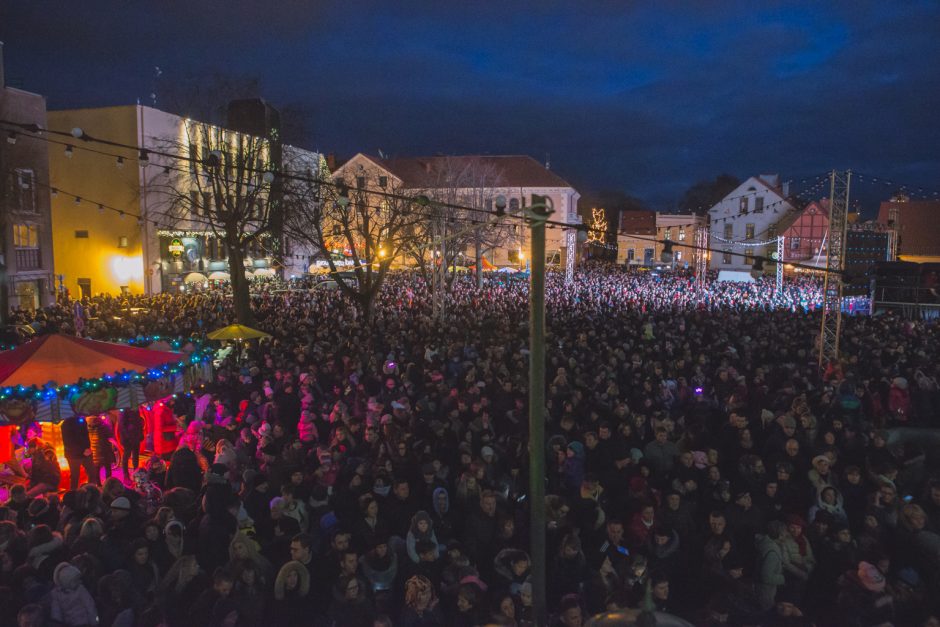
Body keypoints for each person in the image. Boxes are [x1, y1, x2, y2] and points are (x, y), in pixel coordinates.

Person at [60, 415, 98, 489]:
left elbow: (85, 435)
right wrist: (83, 450)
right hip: (74, 455)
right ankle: (74, 495)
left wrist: (88, 448)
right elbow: (68, 442)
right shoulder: (66, 424)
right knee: (75, 476)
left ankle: (91, 490)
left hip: (85, 452)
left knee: (92, 472)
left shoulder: (81, 420)